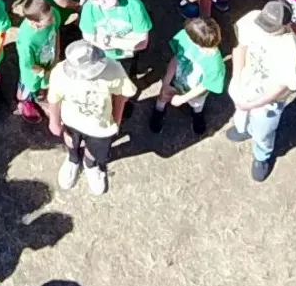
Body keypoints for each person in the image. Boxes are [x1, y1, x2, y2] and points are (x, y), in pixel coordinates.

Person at [45, 37, 134, 195]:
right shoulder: (59, 72)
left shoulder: (113, 68)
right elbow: (54, 98)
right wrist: (54, 121)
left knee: (95, 148)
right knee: (71, 140)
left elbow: (122, 95)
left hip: (100, 126)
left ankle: (90, 165)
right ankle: (73, 159)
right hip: (71, 121)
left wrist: (117, 119)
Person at [226, 0, 296, 182]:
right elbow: (240, 47)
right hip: (246, 84)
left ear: (286, 25)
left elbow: (282, 87)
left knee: (264, 130)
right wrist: (237, 78)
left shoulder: (291, 50)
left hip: (268, 100)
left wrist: (254, 104)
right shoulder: (252, 19)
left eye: (271, 27)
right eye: (264, 22)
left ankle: (262, 156)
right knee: (240, 114)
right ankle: (244, 129)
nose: (264, 29)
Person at [150, 14, 226, 134]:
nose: (210, 51)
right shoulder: (184, 37)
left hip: (195, 90)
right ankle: (159, 110)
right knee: (164, 94)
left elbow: (205, 85)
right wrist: (166, 83)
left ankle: (197, 113)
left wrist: (183, 99)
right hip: (176, 81)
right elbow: (176, 58)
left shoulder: (215, 64)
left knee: (197, 102)